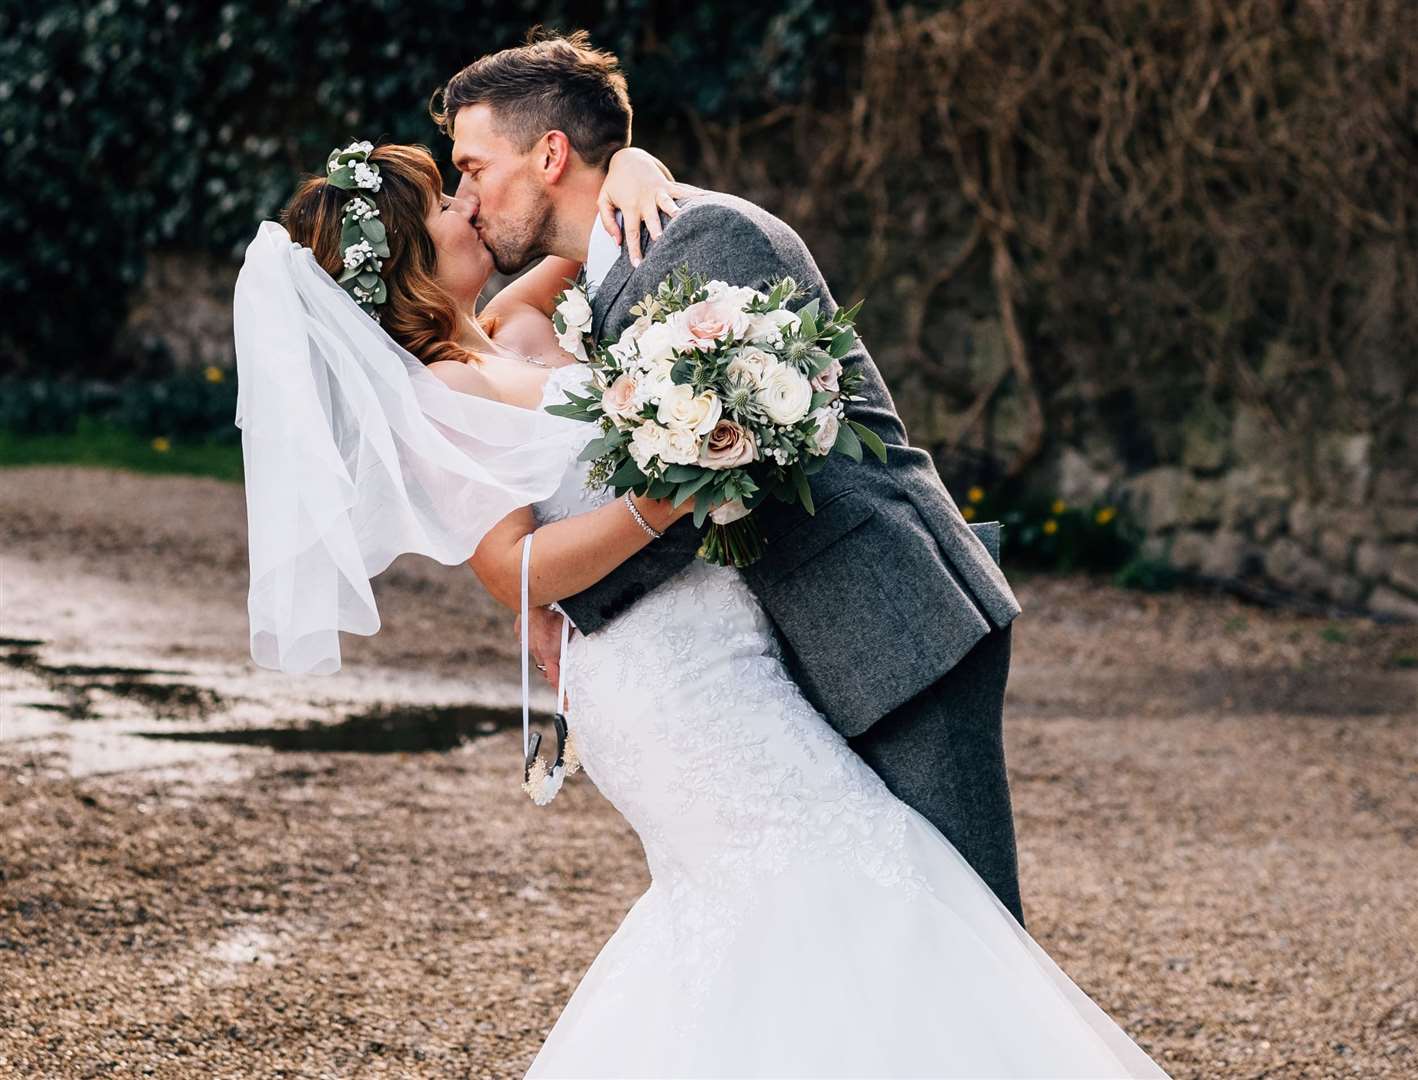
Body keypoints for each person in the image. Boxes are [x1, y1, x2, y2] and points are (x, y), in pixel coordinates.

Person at [233, 33, 1167, 1079]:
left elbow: (627, 311)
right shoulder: (496, 345)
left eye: (470, 173)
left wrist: (636, 160)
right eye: (452, 193)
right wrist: (626, 531)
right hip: (701, 674)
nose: (467, 196)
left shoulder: (639, 261)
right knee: (875, 926)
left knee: (937, 931)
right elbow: (520, 533)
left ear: (545, 156)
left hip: (880, 625)